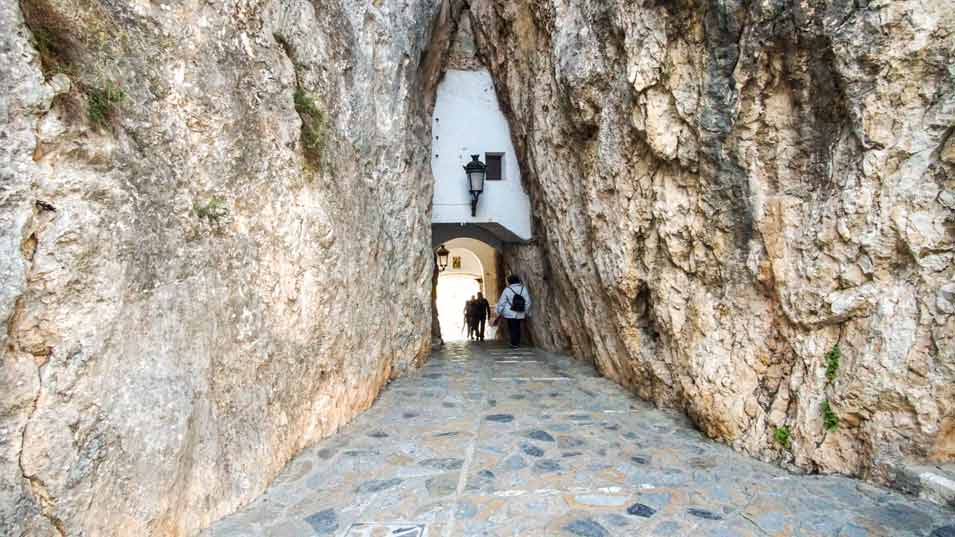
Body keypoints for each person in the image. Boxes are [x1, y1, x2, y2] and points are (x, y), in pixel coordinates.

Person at [496, 275, 532, 348]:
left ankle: (514, 343)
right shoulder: (523, 288)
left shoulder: (507, 289)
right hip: (520, 312)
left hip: (510, 312)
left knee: (512, 327)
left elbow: (502, 302)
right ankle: (517, 342)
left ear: (509, 281)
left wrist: (499, 311)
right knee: (518, 326)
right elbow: (528, 301)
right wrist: (526, 310)